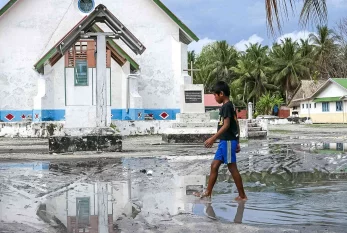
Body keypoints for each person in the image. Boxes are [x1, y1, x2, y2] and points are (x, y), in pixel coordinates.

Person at [195, 81, 247, 201]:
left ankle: (242, 195)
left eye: (215, 95)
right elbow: (236, 123)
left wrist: (212, 138)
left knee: (232, 167)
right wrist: (237, 140)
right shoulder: (229, 106)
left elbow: (227, 125)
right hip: (225, 141)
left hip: (228, 141)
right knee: (214, 165)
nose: (214, 97)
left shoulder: (227, 106)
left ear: (221, 93)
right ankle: (208, 192)